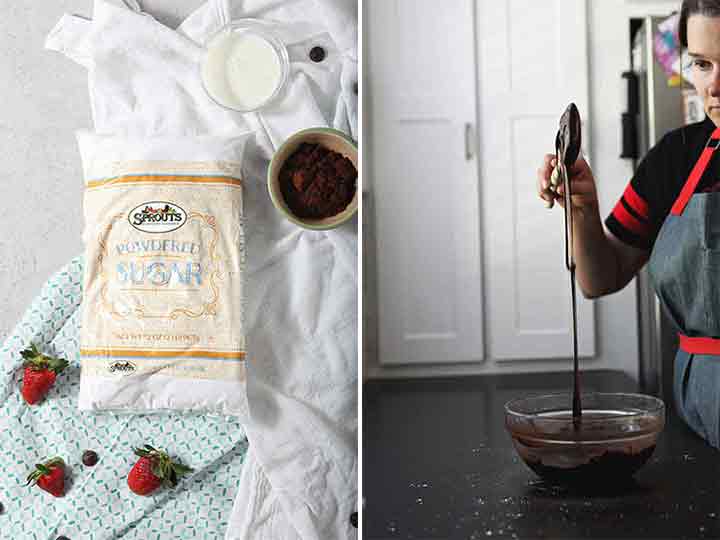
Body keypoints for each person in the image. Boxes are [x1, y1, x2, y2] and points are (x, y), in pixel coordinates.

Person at [537, 0, 720, 448]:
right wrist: (582, 206)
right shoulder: (676, 159)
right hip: (704, 416)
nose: (715, 86)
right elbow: (601, 278)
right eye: (702, 63)